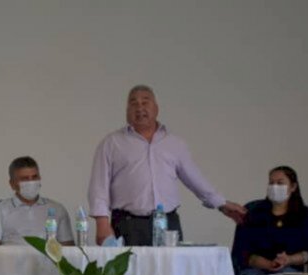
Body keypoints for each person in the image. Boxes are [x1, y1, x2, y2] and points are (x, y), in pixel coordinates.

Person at [87, 84, 247, 245]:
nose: (139, 107)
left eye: (145, 102)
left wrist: (222, 204)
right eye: (133, 103)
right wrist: (102, 223)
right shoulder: (112, 143)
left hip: (169, 224)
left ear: (156, 108)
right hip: (127, 224)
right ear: (127, 110)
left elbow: (194, 178)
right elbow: (98, 186)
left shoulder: (174, 143)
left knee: (170, 270)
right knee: (132, 271)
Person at [231, 166, 308, 275]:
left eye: (280, 183)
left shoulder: (305, 215)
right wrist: (264, 263)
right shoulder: (253, 213)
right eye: (271, 183)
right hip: (256, 268)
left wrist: (289, 260)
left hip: (290, 268)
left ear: (293, 187)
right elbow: (240, 251)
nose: (275, 187)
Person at [0, 156, 73, 245]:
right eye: (24, 179)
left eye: (34, 177)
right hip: (11, 259)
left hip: (47, 259)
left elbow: (68, 249)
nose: (31, 182)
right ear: (12, 184)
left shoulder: (57, 209)